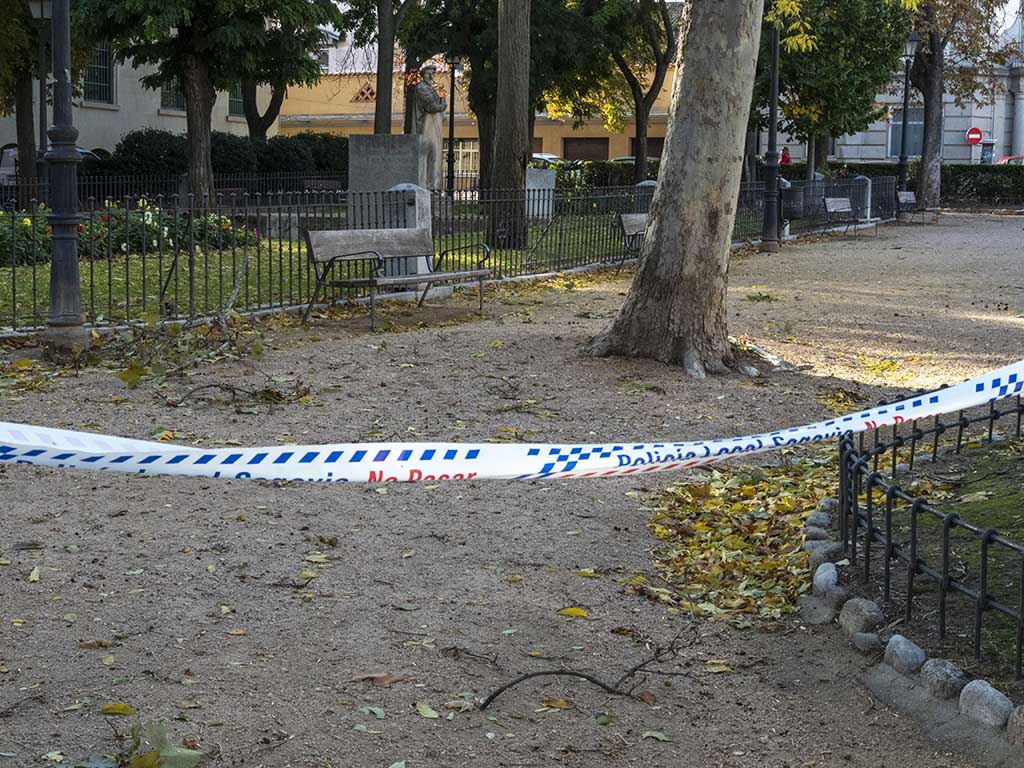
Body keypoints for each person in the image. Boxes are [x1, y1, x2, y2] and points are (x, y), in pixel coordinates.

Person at [411, 64, 447, 191]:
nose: (431, 76)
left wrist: (441, 104)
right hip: (427, 124)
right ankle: (429, 185)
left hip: (434, 123)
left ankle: (434, 186)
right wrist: (442, 105)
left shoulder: (431, 89)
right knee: (430, 153)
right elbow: (432, 106)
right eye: (428, 73)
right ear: (423, 75)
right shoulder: (422, 88)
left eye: (433, 73)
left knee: (435, 154)